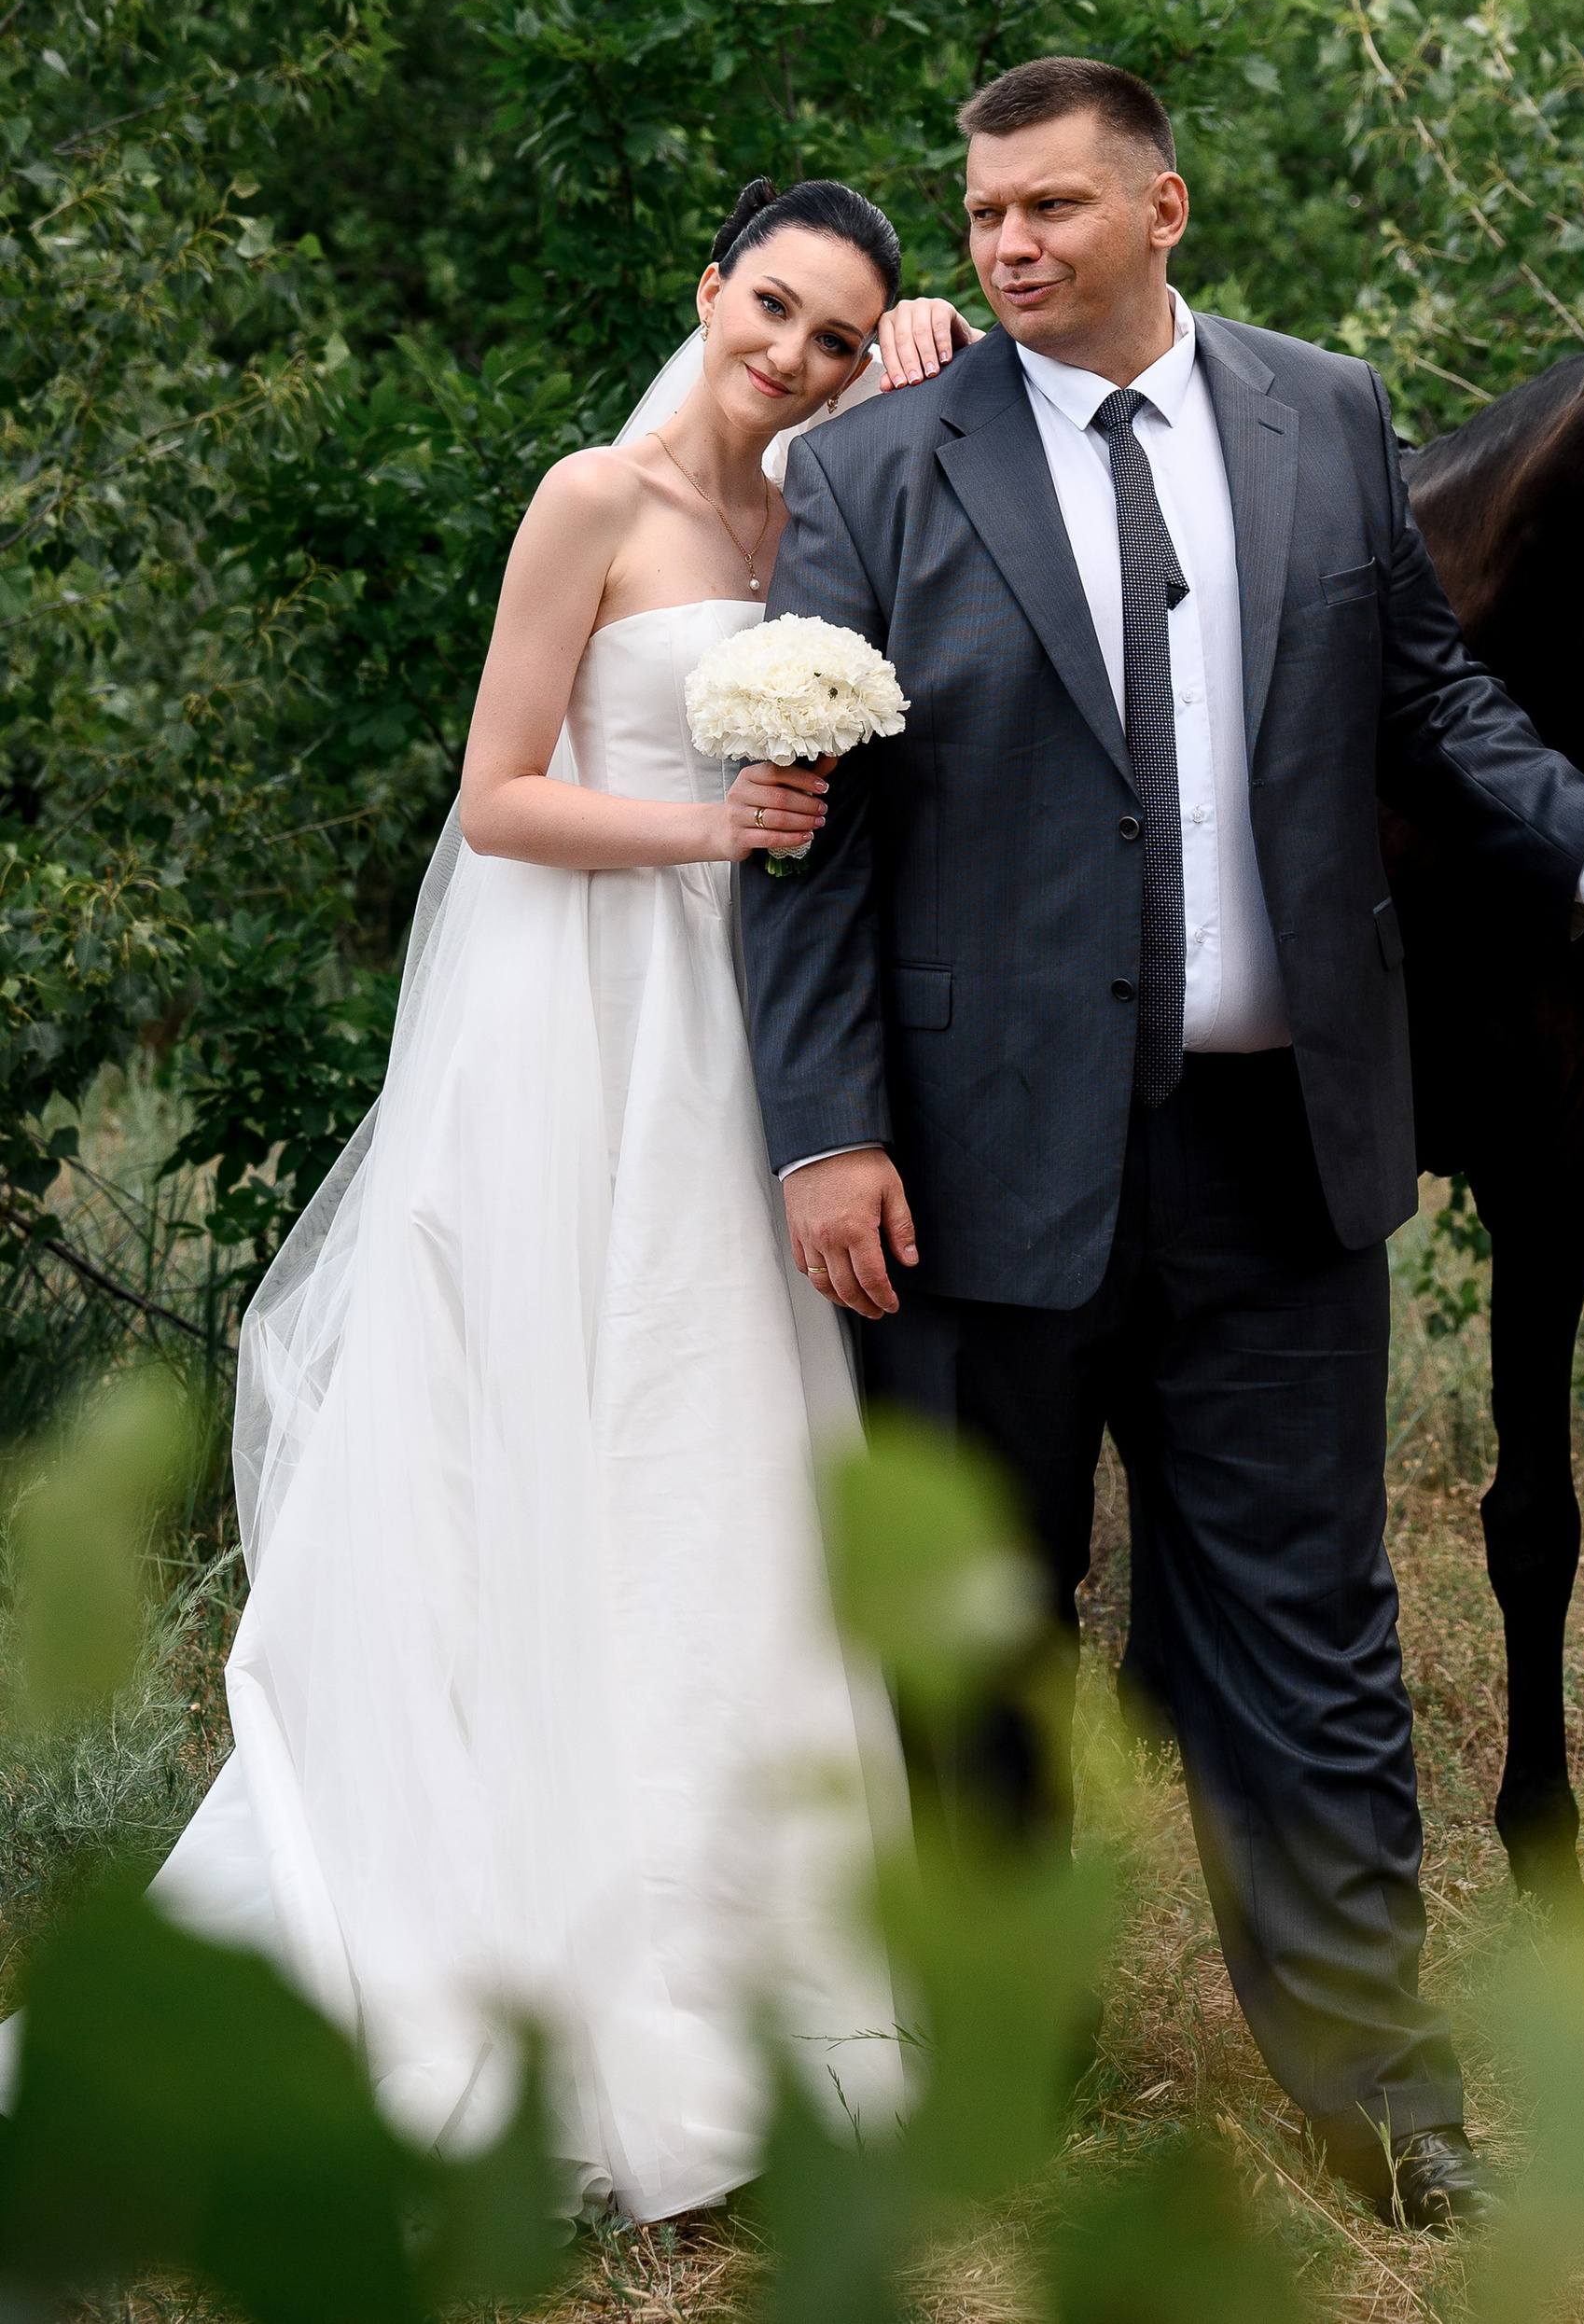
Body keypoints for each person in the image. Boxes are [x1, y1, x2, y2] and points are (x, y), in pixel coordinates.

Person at [744, 59, 1584, 2232]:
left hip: (1275, 1150)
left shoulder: (1325, 414)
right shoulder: (869, 468)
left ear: (1163, 208)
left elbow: (1433, 701)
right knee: (989, 1639)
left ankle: (1377, 2099)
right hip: (966, 1161)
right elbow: (800, 840)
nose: (1006, 245)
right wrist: (823, 1128)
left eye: (1049, 208)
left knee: (1308, 1634)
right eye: (982, 211)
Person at [147, 181, 972, 2221]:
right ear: (708, 291)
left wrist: (942, 336)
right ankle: (523, 1993)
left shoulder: (819, 513)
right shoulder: (589, 496)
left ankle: (745, 2004)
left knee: (721, 1471)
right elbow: (494, 789)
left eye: (836, 340)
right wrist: (708, 822)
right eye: (770, 312)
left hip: (747, 1051)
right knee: (560, 1445)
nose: (791, 358)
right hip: (590, 1025)